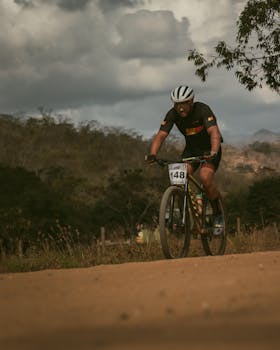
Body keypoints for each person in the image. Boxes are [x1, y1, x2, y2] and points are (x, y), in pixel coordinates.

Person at [145, 85, 223, 235]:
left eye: (183, 104)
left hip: (210, 149)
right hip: (192, 150)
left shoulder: (202, 110)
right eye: (176, 104)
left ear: (191, 101)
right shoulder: (172, 114)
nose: (180, 108)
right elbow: (161, 135)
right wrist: (153, 154)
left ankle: (218, 213)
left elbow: (214, 132)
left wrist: (213, 151)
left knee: (205, 178)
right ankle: (190, 221)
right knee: (179, 181)